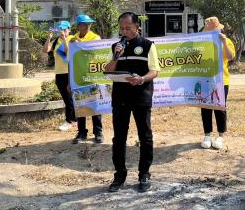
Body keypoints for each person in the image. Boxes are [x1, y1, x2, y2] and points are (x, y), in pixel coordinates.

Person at [104, 12, 160, 193]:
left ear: (137, 27)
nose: (124, 31)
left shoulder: (147, 45)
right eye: (121, 28)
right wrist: (116, 57)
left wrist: (142, 79)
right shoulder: (115, 46)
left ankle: (144, 174)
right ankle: (119, 175)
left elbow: (154, 71)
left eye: (128, 28)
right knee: (119, 138)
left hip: (141, 96)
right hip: (120, 98)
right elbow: (108, 69)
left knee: (145, 136)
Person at [200, 16, 235, 150]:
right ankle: (207, 135)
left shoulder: (226, 41)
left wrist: (224, 42)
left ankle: (221, 136)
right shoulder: (202, 43)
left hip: (222, 80)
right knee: (205, 107)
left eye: (215, 30)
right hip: (205, 79)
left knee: (220, 107)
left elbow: (230, 56)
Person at [69, 14, 103, 144]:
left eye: (89, 23)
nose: (88, 25)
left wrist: (79, 44)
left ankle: (98, 132)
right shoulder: (72, 39)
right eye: (85, 23)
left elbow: (95, 52)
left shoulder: (95, 37)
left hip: (92, 75)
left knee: (95, 104)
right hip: (78, 76)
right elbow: (66, 57)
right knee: (80, 105)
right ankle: (82, 132)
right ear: (78, 26)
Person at [42, 20, 75, 131]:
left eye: (65, 30)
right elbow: (45, 50)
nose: (62, 32)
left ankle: (69, 121)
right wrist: (49, 37)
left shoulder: (72, 39)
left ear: (69, 30)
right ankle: (74, 120)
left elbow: (68, 52)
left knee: (69, 98)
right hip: (59, 73)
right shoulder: (56, 41)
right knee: (67, 98)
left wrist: (65, 39)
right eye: (61, 29)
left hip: (69, 73)